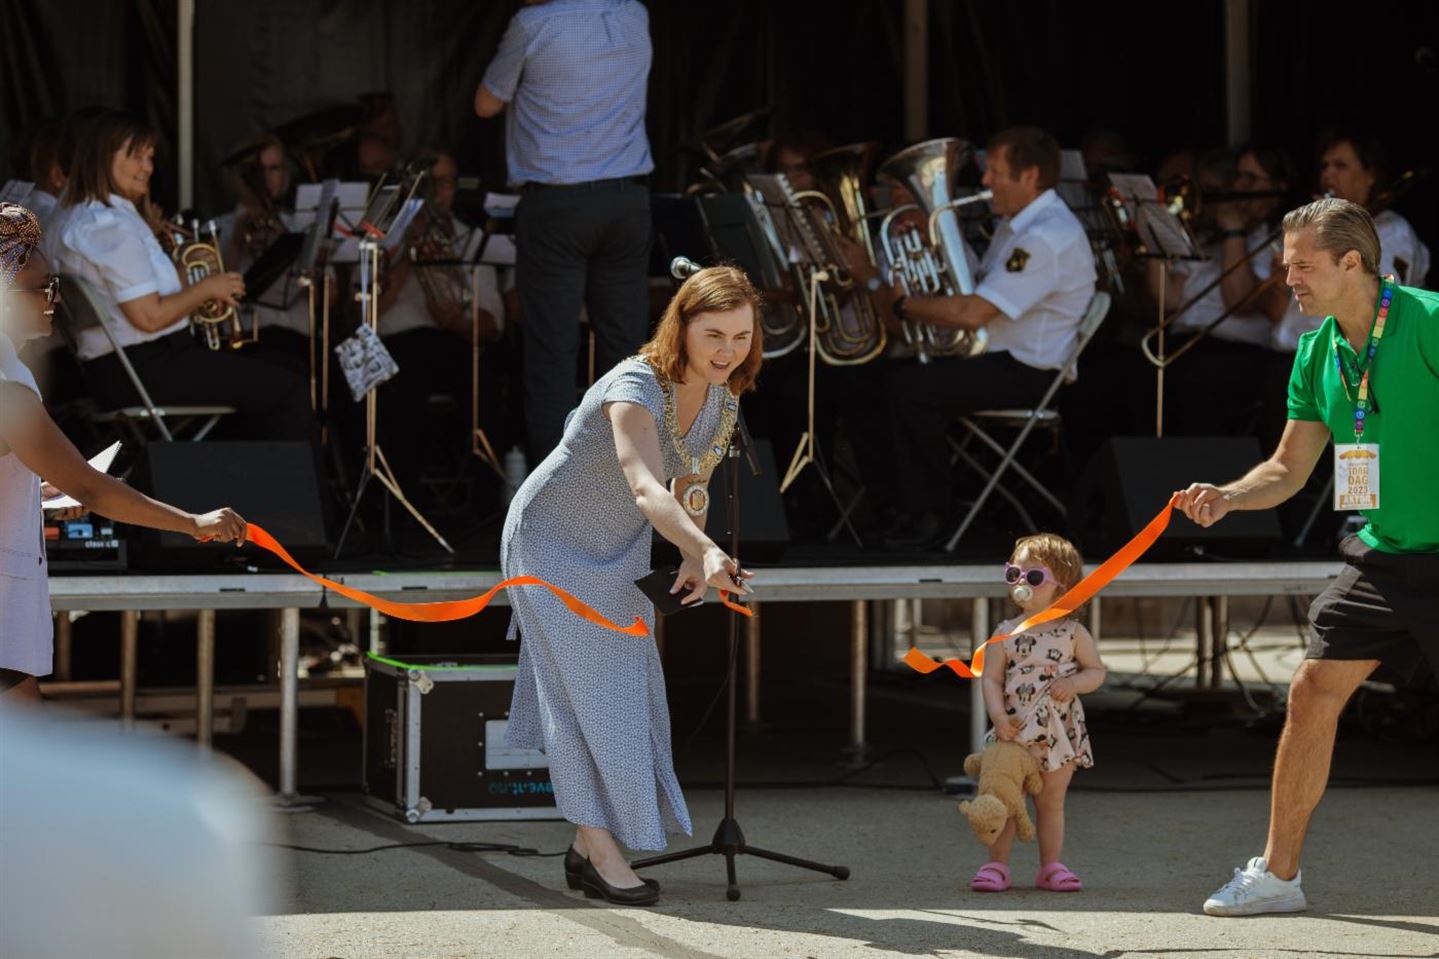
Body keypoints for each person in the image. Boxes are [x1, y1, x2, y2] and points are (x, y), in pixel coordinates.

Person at [1177, 198, 1439, 916]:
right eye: (1282, 261)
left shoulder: (1428, 319)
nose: (1281, 276)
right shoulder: (1315, 349)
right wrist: (1227, 496)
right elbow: (1288, 468)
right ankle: (1277, 875)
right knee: (1310, 689)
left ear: (1350, 263)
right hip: (1382, 556)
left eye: (1299, 264)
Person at [501, 266, 759, 905]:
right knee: (576, 699)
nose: (728, 350)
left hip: (618, 551)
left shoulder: (723, 398)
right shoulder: (634, 385)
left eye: (742, 336)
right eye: (714, 334)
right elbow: (645, 485)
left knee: (625, 693)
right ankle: (602, 852)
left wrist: (694, 558)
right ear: (683, 328)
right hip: (549, 544)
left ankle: (584, 847)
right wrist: (702, 548)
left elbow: (688, 485)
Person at [0, 203, 247, 703]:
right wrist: (194, 523)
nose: (55, 300)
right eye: (41, 288)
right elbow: (92, 486)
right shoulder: (10, 389)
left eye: (56, 287)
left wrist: (39, 490)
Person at [860, 126, 1097, 548]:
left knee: (910, 387)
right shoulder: (1019, 225)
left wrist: (903, 305)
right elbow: (975, 289)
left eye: (995, 173)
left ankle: (931, 515)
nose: (984, 182)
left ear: (1030, 176)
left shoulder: (1046, 237)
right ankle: (897, 507)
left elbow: (973, 312)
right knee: (877, 382)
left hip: (1028, 371)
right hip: (1002, 359)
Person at [49, 112, 313, 441]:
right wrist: (207, 287)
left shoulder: (77, 217)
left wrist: (190, 275)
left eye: (150, 157)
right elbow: (148, 316)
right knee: (290, 389)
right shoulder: (108, 225)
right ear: (102, 157)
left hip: (123, 370)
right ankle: (289, 491)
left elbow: (141, 296)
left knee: (281, 372)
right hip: (146, 370)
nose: (147, 167)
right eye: (135, 156)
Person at [476, 0, 655, 463]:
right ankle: (629, 492)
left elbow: (485, 103)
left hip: (557, 201)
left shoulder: (534, 24)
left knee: (552, 355)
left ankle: (556, 504)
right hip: (626, 200)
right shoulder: (634, 15)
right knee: (628, 356)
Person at [969, 532, 1105, 893]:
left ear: (1063, 587)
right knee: (1005, 799)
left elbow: (1096, 671)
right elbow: (991, 680)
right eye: (1014, 574)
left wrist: (1075, 684)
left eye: (1033, 577)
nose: (1021, 584)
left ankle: (1051, 866)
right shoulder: (1005, 633)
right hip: (1013, 731)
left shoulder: (1073, 632)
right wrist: (998, 717)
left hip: (1058, 733)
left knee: (1051, 801)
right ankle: (996, 865)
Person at [1148, 147, 1289, 436]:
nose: (1239, 187)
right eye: (1238, 177)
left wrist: (1235, 233)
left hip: (1244, 353)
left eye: (1251, 179)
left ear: (1276, 191)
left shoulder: (1278, 240)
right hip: (1192, 345)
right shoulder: (1208, 238)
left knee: (1196, 380)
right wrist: (1153, 239)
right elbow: (1169, 300)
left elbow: (1239, 302)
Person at [1274, 132, 1431, 352]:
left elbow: (1374, 309)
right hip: (1297, 357)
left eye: (1340, 166)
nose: (1328, 173)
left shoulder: (1392, 232)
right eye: (1325, 166)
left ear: (1370, 175)